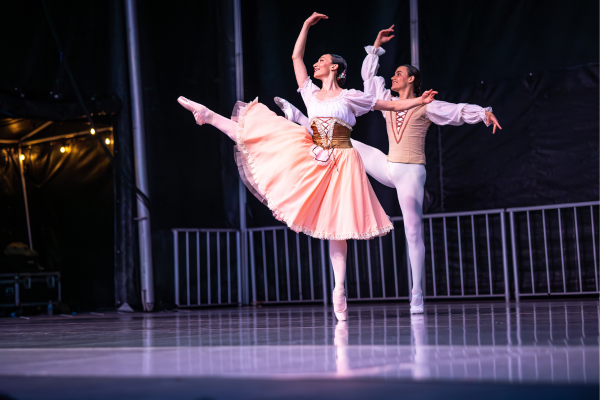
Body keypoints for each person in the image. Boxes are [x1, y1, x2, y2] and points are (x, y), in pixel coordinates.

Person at [177, 14, 437, 321]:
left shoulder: (352, 97)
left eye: (322, 60)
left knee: (336, 226)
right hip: (312, 149)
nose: (316, 64)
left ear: (336, 68)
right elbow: (296, 56)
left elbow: (390, 105)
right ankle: (209, 115)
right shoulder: (310, 92)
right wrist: (304, 26)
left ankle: (339, 288)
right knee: (261, 132)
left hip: (342, 158)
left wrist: (417, 100)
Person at [275, 25, 501, 314]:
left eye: (399, 74)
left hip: (410, 172)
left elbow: (454, 111)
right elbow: (371, 80)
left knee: (413, 232)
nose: (393, 77)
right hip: (387, 164)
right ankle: (303, 122)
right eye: (392, 74)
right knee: (344, 142)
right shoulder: (388, 102)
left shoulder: (426, 106)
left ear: (413, 79)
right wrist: (376, 46)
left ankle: (416, 293)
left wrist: (482, 112)